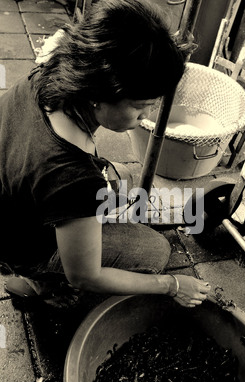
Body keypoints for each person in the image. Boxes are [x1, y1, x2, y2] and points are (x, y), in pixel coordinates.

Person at [0, 0, 210, 308]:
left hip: (13, 200)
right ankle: (39, 284)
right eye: (140, 107)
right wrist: (172, 284)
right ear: (99, 94)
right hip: (21, 244)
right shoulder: (71, 175)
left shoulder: (51, 75)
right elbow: (85, 275)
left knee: (122, 178)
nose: (147, 115)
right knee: (155, 251)